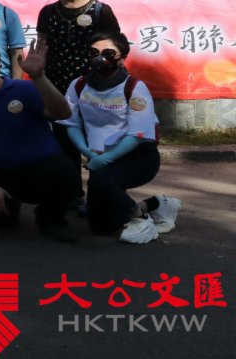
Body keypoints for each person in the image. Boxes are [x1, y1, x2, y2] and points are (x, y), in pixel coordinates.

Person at [0, 39, 80, 241]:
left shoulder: (24, 89)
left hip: (38, 171)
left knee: (62, 170)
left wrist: (38, 76)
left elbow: (62, 112)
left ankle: (51, 220)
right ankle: (2, 216)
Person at [60, 32, 181, 244]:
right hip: (100, 156)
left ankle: (141, 220)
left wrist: (106, 159)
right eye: (94, 53)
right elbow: (71, 124)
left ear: (122, 58)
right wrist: (87, 152)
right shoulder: (78, 85)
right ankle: (157, 205)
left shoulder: (134, 87)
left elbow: (137, 134)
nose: (100, 58)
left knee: (102, 181)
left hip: (137, 157)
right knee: (101, 227)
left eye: (108, 53)